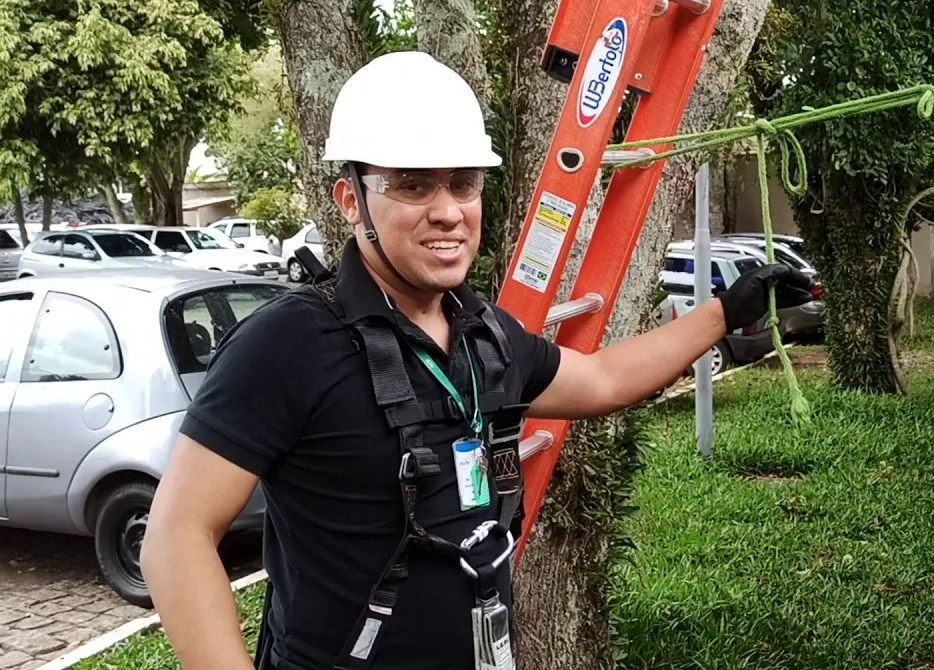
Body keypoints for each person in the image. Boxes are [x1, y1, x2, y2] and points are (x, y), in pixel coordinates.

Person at [139, 51, 814, 670]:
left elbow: (602, 379)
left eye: (463, 184)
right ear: (352, 201)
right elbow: (176, 535)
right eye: (413, 186)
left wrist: (724, 313)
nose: (448, 212)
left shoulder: (482, 333)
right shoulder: (288, 345)